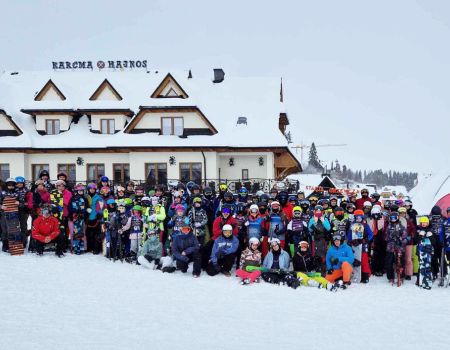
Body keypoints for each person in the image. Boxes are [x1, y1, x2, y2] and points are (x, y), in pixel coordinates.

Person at [384, 211, 409, 284]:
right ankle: (390, 277)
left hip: (400, 246)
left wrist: (400, 240)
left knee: (400, 262)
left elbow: (405, 237)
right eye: (391, 218)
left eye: (395, 218)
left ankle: (401, 276)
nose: (393, 219)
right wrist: (390, 238)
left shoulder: (401, 226)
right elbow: (386, 237)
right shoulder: (389, 226)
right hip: (391, 247)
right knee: (389, 262)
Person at [416, 216, 434, 289]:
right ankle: (419, 280)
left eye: (425, 222)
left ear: (428, 223)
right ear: (420, 223)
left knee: (428, 265)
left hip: (429, 250)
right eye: (422, 223)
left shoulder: (431, 230)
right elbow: (416, 241)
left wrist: (431, 236)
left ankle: (428, 280)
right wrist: (420, 235)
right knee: (421, 265)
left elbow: (434, 242)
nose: (424, 224)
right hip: (421, 249)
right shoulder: (418, 230)